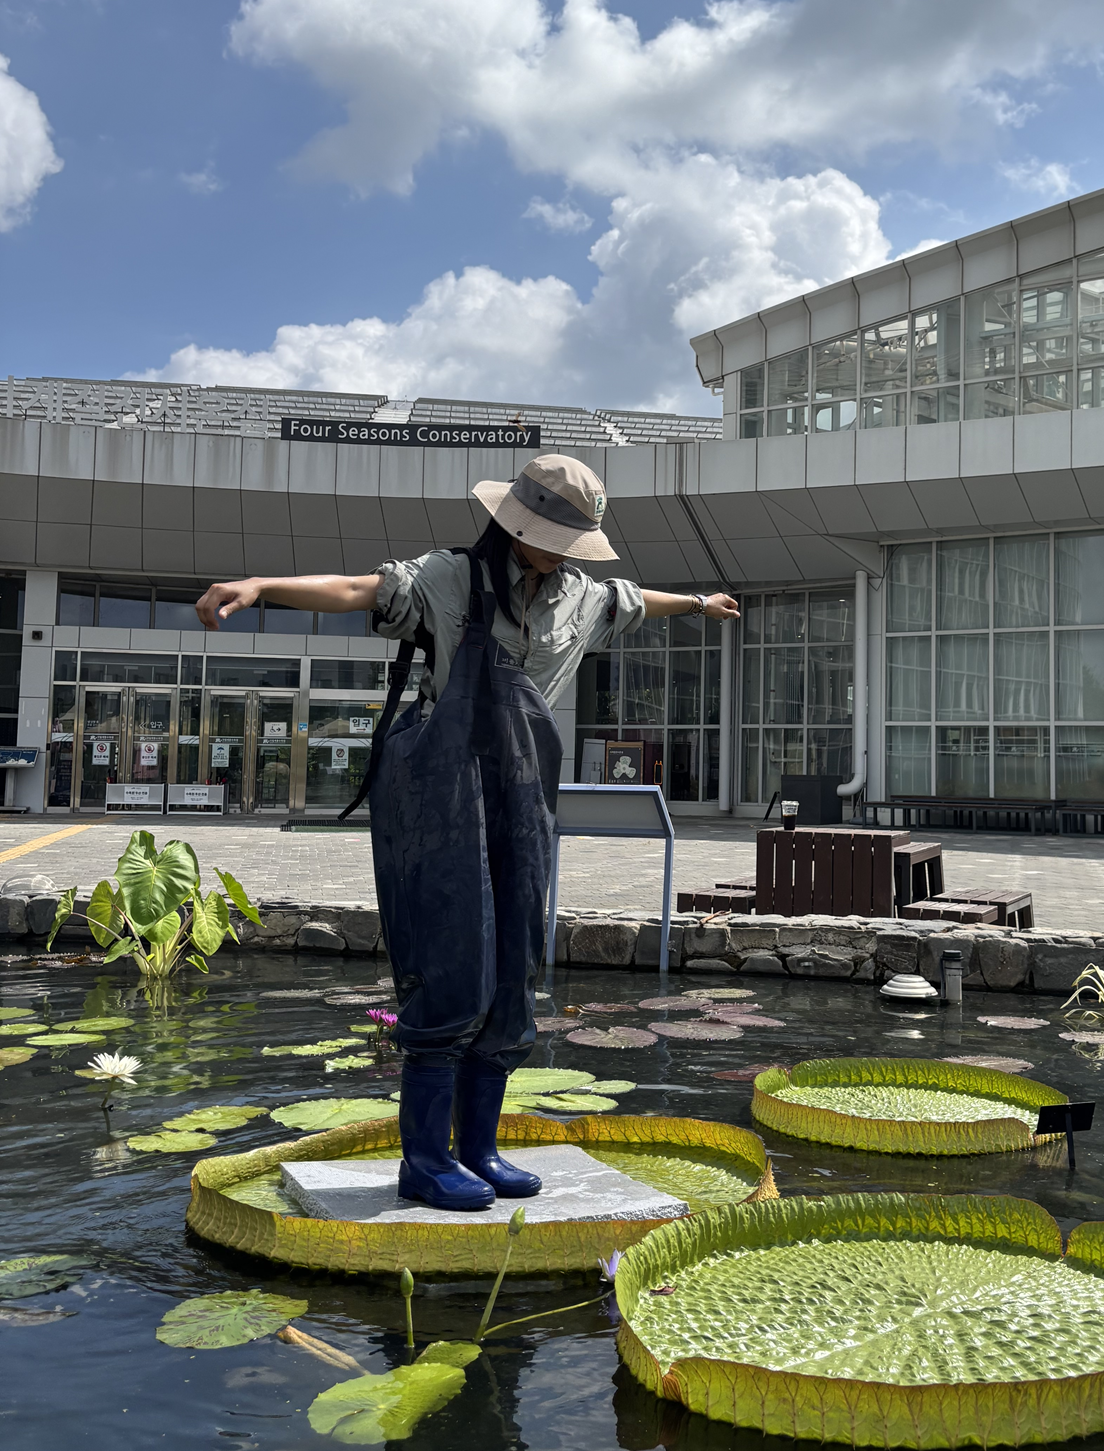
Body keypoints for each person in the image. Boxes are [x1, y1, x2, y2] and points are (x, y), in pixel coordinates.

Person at [196, 453, 738, 1213]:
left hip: (525, 803)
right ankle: (424, 1159)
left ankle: (478, 1148)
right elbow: (359, 589)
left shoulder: (582, 595)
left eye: (569, 539)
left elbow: (636, 599)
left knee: (514, 969)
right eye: (548, 535)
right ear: (510, 523)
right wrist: (260, 588)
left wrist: (700, 602)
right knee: (452, 966)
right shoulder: (452, 578)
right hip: (444, 797)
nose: (556, 551)